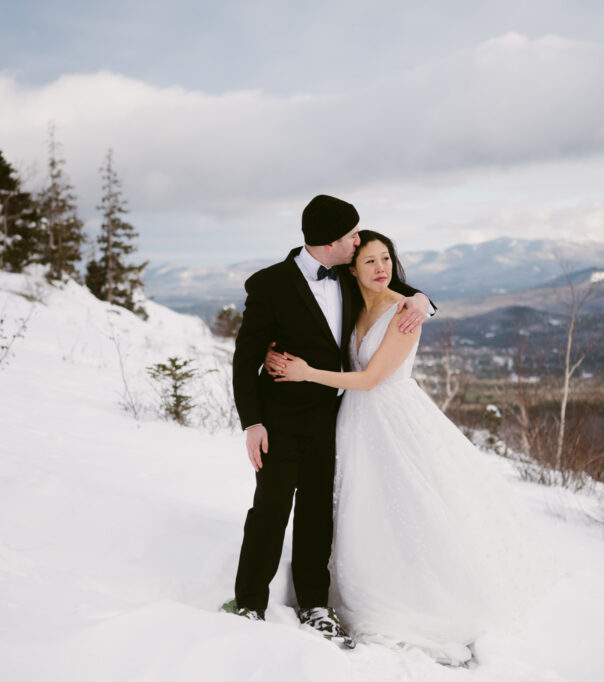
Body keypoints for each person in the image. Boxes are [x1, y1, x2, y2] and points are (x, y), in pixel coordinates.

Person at [270, 230, 554, 664]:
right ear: (352, 269)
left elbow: (369, 379)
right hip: (356, 422)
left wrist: (307, 374)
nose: (381, 267)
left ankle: (421, 601)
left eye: (386, 259)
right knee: (361, 509)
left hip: (392, 416)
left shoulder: (403, 313)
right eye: (370, 261)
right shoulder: (352, 304)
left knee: (410, 505)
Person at [227, 196, 432, 647]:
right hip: (279, 420)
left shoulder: (345, 274)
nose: (358, 242)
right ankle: (248, 602)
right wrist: (253, 423)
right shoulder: (269, 284)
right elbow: (244, 359)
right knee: (271, 508)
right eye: (352, 236)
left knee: (319, 512)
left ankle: (315, 604)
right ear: (329, 242)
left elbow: (392, 287)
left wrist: (422, 300)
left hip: (332, 418)